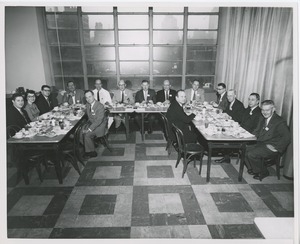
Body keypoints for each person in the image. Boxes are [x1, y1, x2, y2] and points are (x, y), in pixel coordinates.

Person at [245, 100, 291, 180]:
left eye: (267, 110)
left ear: (273, 109)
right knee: (244, 148)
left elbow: (287, 137)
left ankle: (263, 171)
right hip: (261, 142)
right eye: (263, 110)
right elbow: (257, 130)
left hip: (272, 145)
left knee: (252, 154)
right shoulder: (262, 118)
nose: (264, 112)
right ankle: (253, 168)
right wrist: (248, 136)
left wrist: (277, 148)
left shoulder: (279, 121)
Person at [215, 89, 245, 164]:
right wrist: (224, 113)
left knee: (222, 136)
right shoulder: (230, 103)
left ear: (235, 95)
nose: (229, 97)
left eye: (231, 96)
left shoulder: (239, 105)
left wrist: (229, 117)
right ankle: (225, 155)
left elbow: (239, 118)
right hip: (229, 125)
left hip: (236, 127)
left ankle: (226, 156)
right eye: (228, 95)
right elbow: (227, 112)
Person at [81, 90, 107, 159]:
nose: (88, 99)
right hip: (92, 123)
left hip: (100, 126)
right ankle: (91, 144)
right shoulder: (88, 104)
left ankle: (92, 152)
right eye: (86, 98)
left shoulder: (100, 106)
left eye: (90, 97)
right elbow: (89, 114)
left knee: (86, 134)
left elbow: (98, 121)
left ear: (93, 96)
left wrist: (89, 129)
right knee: (80, 132)